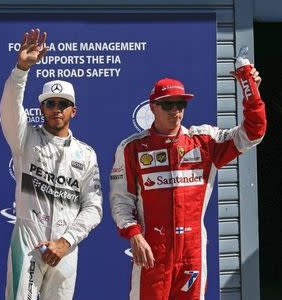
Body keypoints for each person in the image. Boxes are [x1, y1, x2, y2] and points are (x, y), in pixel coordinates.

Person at [110, 69, 266, 299]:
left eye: (181, 104)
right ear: (152, 107)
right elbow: (121, 201)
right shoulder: (132, 148)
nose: (175, 111)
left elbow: (253, 132)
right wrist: (135, 235)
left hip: (192, 250)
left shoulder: (204, 141)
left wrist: (251, 92)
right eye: (168, 105)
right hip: (153, 251)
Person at [0, 28, 103, 300]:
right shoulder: (25, 138)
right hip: (29, 242)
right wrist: (22, 69)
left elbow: (93, 207)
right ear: (42, 109)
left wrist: (65, 242)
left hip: (65, 249)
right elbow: (10, 110)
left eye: (63, 103)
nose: (56, 108)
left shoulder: (86, 154)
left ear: (74, 110)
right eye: (50, 103)